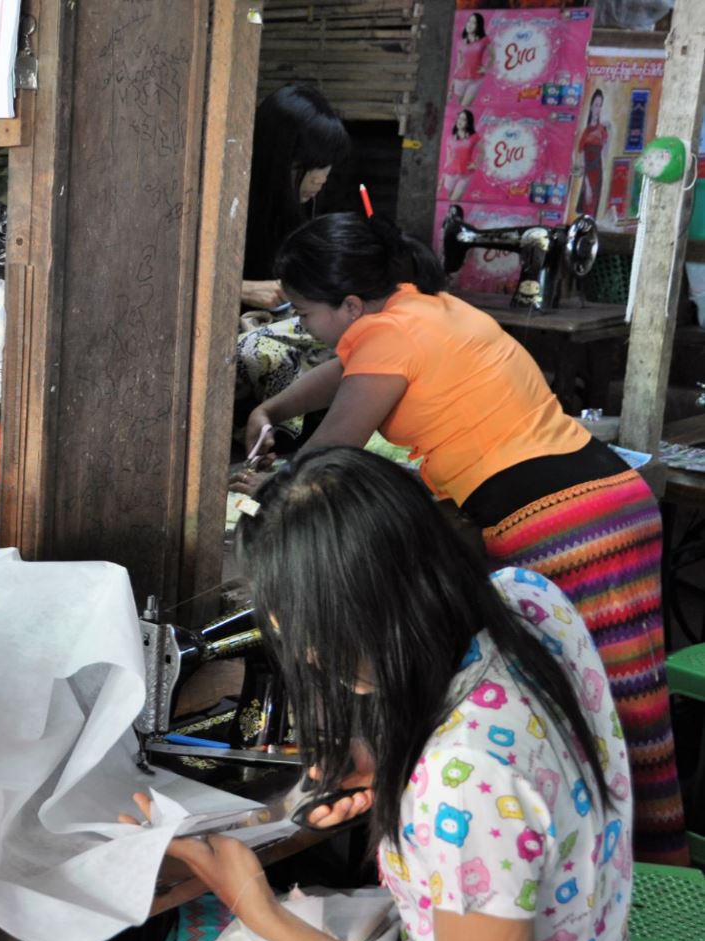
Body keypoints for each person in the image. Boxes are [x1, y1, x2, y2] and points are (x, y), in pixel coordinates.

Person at [235, 211, 688, 863]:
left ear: (352, 304)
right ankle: (648, 860)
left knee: (597, 708)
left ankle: (618, 868)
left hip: (564, 524)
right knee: (623, 697)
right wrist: (273, 408)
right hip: (612, 500)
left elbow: (332, 452)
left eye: (305, 314)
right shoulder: (423, 311)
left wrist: (268, 491)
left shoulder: (390, 333)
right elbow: (346, 373)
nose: (301, 326)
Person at [128, 447, 632, 941]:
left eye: (307, 633)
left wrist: (260, 912)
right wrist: (385, 756)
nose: (306, 655)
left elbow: (477, 782)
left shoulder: (459, 784)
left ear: (369, 610)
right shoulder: (526, 599)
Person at [234, 84, 350, 449]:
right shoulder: (228, 203)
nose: (322, 177)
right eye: (313, 166)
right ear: (280, 158)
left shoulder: (294, 214)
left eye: (326, 166)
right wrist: (241, 288)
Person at [574, 89, 610, 218]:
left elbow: (605, 154)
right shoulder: (586, 132)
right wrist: (586, 183)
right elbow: (581, 159)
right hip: (588, 176)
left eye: (600, 105)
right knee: (586, 209)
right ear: (590, 107)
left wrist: (609, 132)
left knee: (592, 212)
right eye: (596, 105)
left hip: (598, 174)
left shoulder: (602, 129)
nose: (598, 109)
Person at [451, 13, 490, 108]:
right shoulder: (460, 42)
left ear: (478, 26)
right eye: (469, 21)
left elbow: (493, 56)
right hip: (460, 78)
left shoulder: (484, 40)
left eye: (474, 22)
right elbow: (458, 64)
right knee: (458, 107)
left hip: (475, 79)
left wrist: (486, 69)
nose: (470, 24)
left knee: (464, 105)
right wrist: (451, 85)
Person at [441, 108, 480, 202]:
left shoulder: (474, 137)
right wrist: (443, 175)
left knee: (454, 199)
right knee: (450, 199)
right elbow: (448, 158)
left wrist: (476, 164)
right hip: (450, 173)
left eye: (464, 119)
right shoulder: (450, 138)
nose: (460, 121)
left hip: (465, 174)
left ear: (468, 122)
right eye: (459, 118)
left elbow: (483, 151)